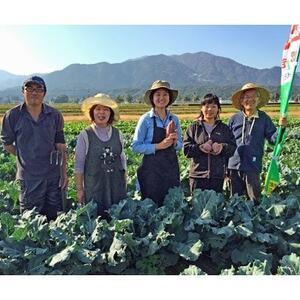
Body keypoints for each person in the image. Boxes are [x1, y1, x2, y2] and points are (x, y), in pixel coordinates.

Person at [0, 76, 67, 221]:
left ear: (44, 93)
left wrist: (64, 174)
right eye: (29, 88)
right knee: (31, 222)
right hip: (29, 178)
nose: (34, 92)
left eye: (38, 89)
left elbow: (61, 146)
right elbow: (7, 143)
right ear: (22, 92)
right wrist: (24, 155)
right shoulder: (12, 116)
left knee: (55, 220)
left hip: (53, 177)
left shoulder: (54, 115)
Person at [228, 82, 287, 202]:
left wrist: (282, 128)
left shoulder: (264, 118)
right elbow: (226, 143)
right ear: (241, 100)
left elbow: (273, 139)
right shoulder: (234, 119)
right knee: (234, 201)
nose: (249, 100)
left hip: (253, 166)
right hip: (233, 166)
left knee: (254, 200)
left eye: (253, 96)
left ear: (258, 100)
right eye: (246, 97)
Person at [75, 93, 127, 217]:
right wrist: (80, 190)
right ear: (92, 112)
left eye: (105, 109)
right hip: (94, 187)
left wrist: (125, 182)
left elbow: (122, 160)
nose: (101, 113)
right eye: (98, 109)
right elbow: (79, 164)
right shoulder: (85, 135)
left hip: (116, 186)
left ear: (110, 113)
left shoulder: (117, 133)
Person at [132, 80, 183, 206]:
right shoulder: (146, 119)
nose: (161, 98)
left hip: (170, 169)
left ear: (169, 98)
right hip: (151, 171)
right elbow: (136, 146)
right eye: (158, 94)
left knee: (171, 205)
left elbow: (181, 145)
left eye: (165, 94)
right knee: (151, 206)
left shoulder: (174, 119)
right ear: (152, 98)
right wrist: (158, 146)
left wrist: (175, 142)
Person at [183, 94, 236, 194]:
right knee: (197, 207)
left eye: (213, 106)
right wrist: (200, 148)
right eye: (206, 106)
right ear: (201, 108)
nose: (210, 109)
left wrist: (222, 148)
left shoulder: (224, 129)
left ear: (218, 109)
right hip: (197, 176)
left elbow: (232, 148)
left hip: (217, 176)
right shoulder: (193, 128)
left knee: (215, 206)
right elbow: (186, 150)